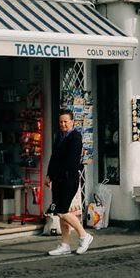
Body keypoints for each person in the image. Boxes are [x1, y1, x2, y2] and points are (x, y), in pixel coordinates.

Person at [46, 109, 93, 256]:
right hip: (58, 179)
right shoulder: (59, 136)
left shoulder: (75, 137)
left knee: (62, 211)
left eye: (66, 121)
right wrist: (49, 175)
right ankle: (65, 244)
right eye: (61, 122)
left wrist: (59, 174)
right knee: (61, 212)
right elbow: (54, 157)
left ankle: (84, 235)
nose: (63, 124)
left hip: (68, 178)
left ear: (72, 122)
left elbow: (71, 162)